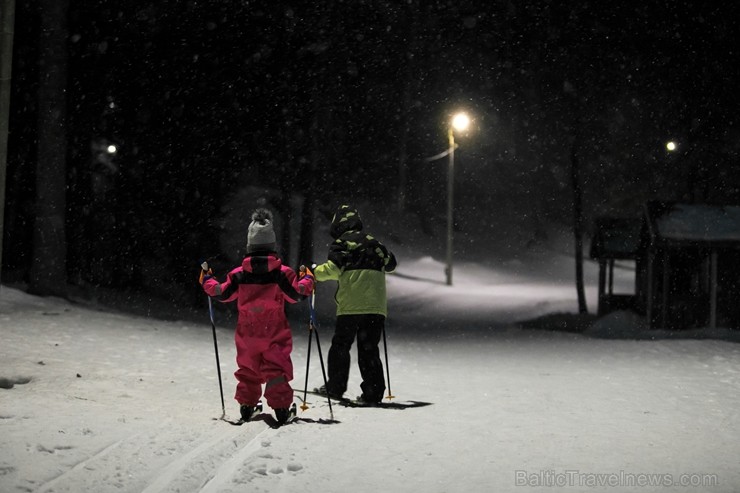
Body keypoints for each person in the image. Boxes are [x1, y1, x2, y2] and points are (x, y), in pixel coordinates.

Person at [200, 208, 314, 424]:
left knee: (249, 368)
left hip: (247, 332)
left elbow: (221, 293)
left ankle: (247, 405)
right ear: (272, 245)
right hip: (274, 331)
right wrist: (307, 278)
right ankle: (281, 408)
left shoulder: (238, 274)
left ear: (249, 246)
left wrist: (207, 280)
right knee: (276, 369)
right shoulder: (282, 273)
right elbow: (298, 295)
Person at [313, 204, 397, 404]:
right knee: (369, 348)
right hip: (375, 308)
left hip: (350, 307)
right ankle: (373, 393)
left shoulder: (342, 243)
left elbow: (333, 269)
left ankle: (335, 387)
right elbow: (391, 264)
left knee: (341, 346)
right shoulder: (374, 243)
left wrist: (313, 272)